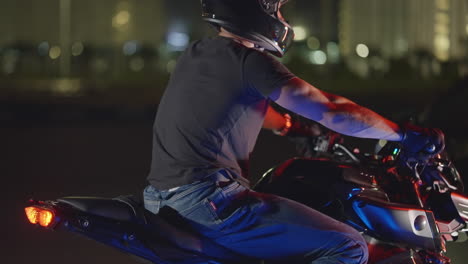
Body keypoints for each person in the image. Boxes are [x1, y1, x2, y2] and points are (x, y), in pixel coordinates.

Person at [143, 0, 445, 263]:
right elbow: (331, 110)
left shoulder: (198, 52)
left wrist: (293, 128)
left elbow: (240, 103)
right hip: (209, 200)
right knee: (349, 246)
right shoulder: (251, 62)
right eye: (276, 8)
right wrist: (403, 133)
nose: (281, 18)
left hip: (161, 196)